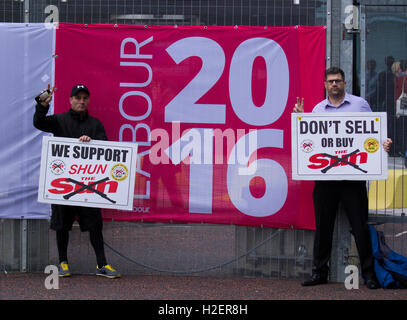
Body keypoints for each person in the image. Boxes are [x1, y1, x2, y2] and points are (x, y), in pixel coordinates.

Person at [293, 67, 392, 289]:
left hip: (352, 179)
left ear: (345, 83)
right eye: (330, 81)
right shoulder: (317, 109)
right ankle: (320, 273)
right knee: (323, 228)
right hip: (325, 179)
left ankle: (369, 276)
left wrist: (384, 143)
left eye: (338, 81)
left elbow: (373, 132)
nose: (334, 84)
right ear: (325, 85)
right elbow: (307, 140)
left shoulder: (360, 104)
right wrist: (299, 118)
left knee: (360, 228)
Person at [33, 83, 121, 279]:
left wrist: (93, 142)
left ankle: (102, 264)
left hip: (89, 187)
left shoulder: (95, 124)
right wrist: (42, 105)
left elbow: (107, 148)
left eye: (85, 98)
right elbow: (38, 123)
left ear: (88, 100)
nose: (82, 101)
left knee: (95, 225)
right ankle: (63, 263)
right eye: (78, 98)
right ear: (70, 100)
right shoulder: (58, 120)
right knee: (62, 224)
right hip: (63, 185)